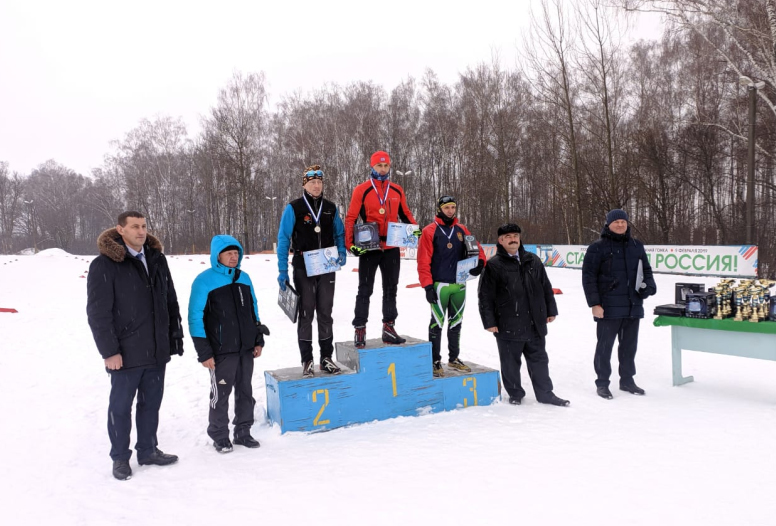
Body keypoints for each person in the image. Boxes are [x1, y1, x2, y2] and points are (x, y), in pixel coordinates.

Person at [87, 211, 183, 481]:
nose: (141, 231)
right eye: (134, 227)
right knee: (120, 408)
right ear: (120, 230)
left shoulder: (156, 258)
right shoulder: (105, 265)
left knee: (151, 404)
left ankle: (148, 450)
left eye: (143, 226)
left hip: (156, 350)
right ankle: (120, 458)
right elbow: (98, 313)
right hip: (125, 353)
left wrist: (173, 337)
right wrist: (109, 351)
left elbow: (170, 300)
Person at [189, 235, 269, 453]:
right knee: (220, 393)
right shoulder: (204, 281)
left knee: (245, 391)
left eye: (236, 253)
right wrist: (204, 351)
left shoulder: (244, 278)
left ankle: (243, 431)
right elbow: (195, 317)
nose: (234, 257)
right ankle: (219, 435)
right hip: (221, 351)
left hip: (245, 348)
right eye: (229, 254)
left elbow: (253, 310)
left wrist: (258, 338)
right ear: (218, 256)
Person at [478, 223, 569, 407]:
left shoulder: (533, 260)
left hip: (535, 321)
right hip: (507, 323)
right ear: (501, 240)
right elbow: (485, 296)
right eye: (509, 236)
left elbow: (545, 287)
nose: (513, 239)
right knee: (510, 362)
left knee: (540, 360)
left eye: (516, 236)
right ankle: (515, 393)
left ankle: (545, 393)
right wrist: (489, 321)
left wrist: (551, 310)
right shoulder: (494, 265)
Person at [277, 165, 347, 377]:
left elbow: (340, 233)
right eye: (312, 182)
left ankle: (326, 358)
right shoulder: (294, 208)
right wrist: (282, 270)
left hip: (326, 266)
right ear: (304, 184)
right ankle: (307, 360)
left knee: (325, 313)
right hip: (302, 266)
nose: (316, 186)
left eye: (319, 182)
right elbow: (283, 239)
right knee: (306, 314)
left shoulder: (330, 208)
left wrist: (341, 251)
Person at [345, 150, 419, 348]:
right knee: (365, 289)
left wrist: (414, 230)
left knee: (390, 289)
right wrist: (350, 244)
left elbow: (406, 214)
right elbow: (351, 218)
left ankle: (389, 327)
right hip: (370, 248)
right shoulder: (361, 190)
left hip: (392, 248)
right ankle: (360, 328)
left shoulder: (396, 189)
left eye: (386, 166)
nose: (383, 169)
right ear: (372, 166)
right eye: (379, 165)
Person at [582, 209, 656, 399]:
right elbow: (589, 278)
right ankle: (602, 383)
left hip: (633, 305)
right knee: (605, 346)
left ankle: (627, 381)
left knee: (629, 346)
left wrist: (649, 286)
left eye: (623, 222)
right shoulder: (597, 248)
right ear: (608, 224)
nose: (620, 225)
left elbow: (646, 270)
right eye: (616, 222)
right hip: (608, 307)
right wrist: (595, 304)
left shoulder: (636, 245)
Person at [417, 195, 486, 377]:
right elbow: (423, 261)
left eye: (453, 207)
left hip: (459, 285)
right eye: (447, 207)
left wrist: (480, 263)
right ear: (440, 209)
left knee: (456, 323)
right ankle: (435, 360)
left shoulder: (461, 229)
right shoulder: (430, 231)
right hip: (440, 285)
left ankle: (454, 358)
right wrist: (427, 286)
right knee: (437, 323)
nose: (450, 211)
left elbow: (477, 249)